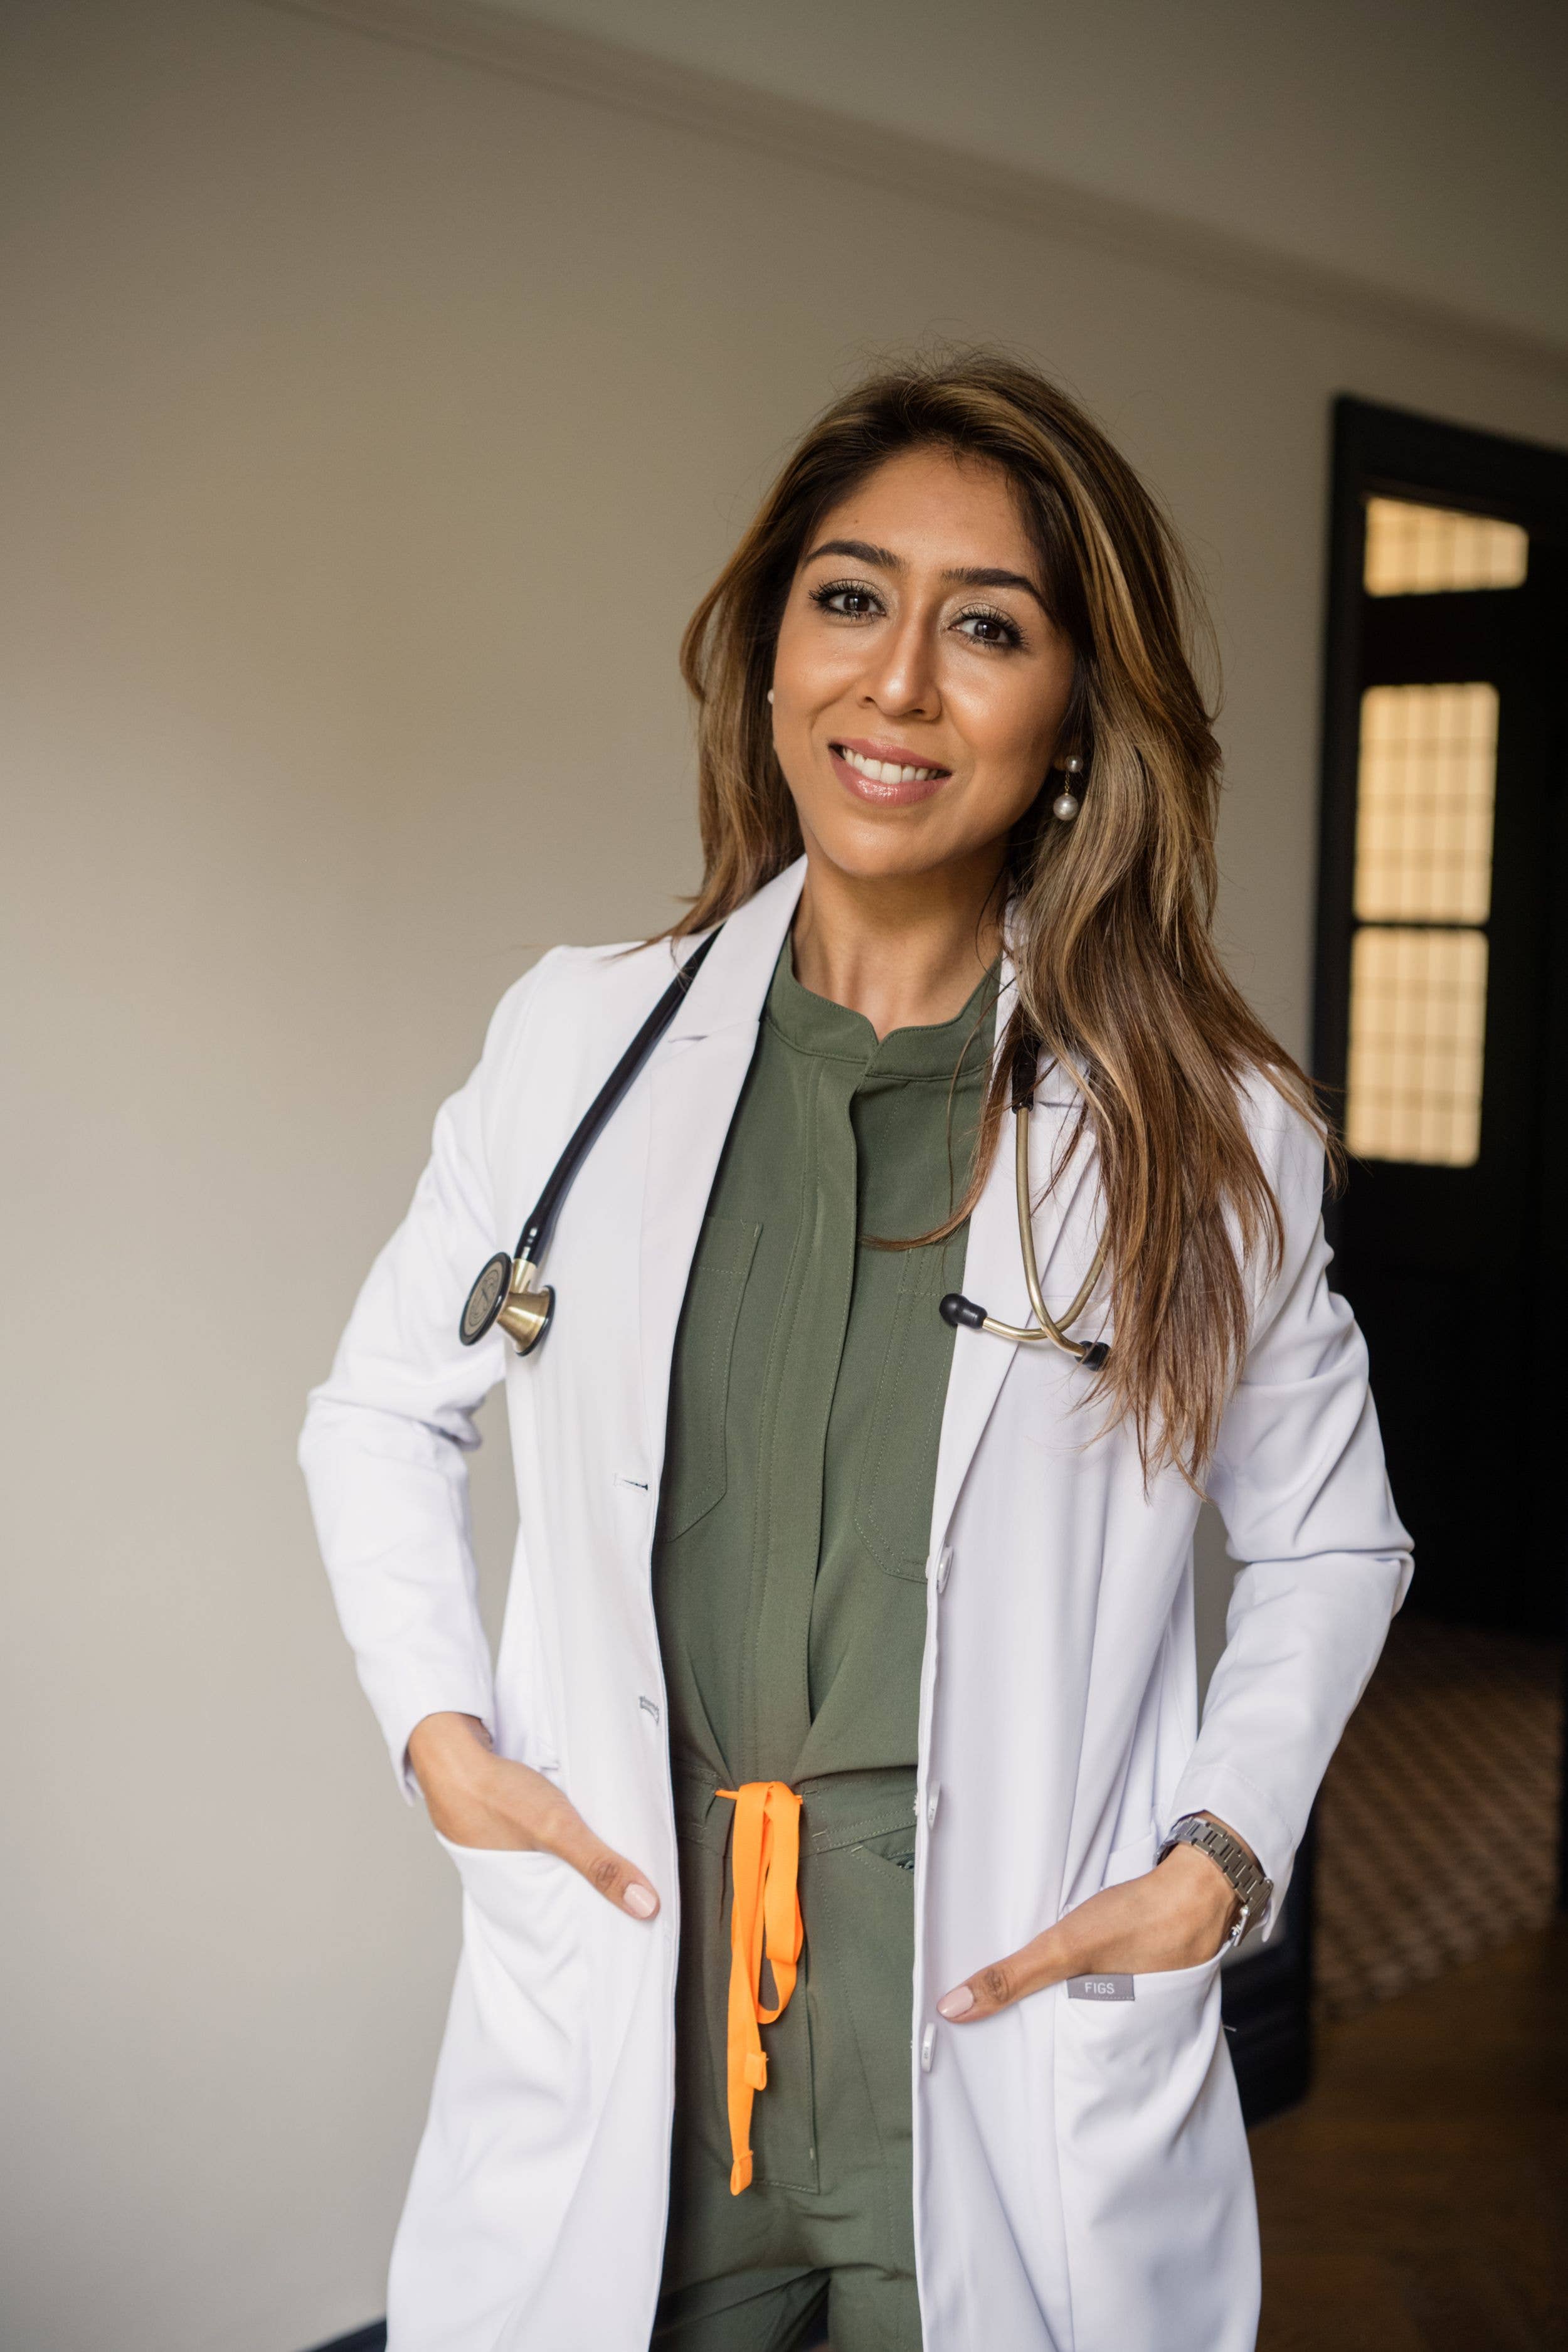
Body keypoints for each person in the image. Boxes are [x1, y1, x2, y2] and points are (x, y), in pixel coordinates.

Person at [300, 351, 1410, 2352]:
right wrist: (441, 1740)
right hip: (644, 1968)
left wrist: (1215, 1858)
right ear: (770, 652)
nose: (894, 683)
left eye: (983, 628)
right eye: (847, 597)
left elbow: (1334, 1544)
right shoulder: (577, 1039)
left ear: (1075, 715)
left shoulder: (1205, 1127)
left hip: (996, 1999)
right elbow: (379, 1409)